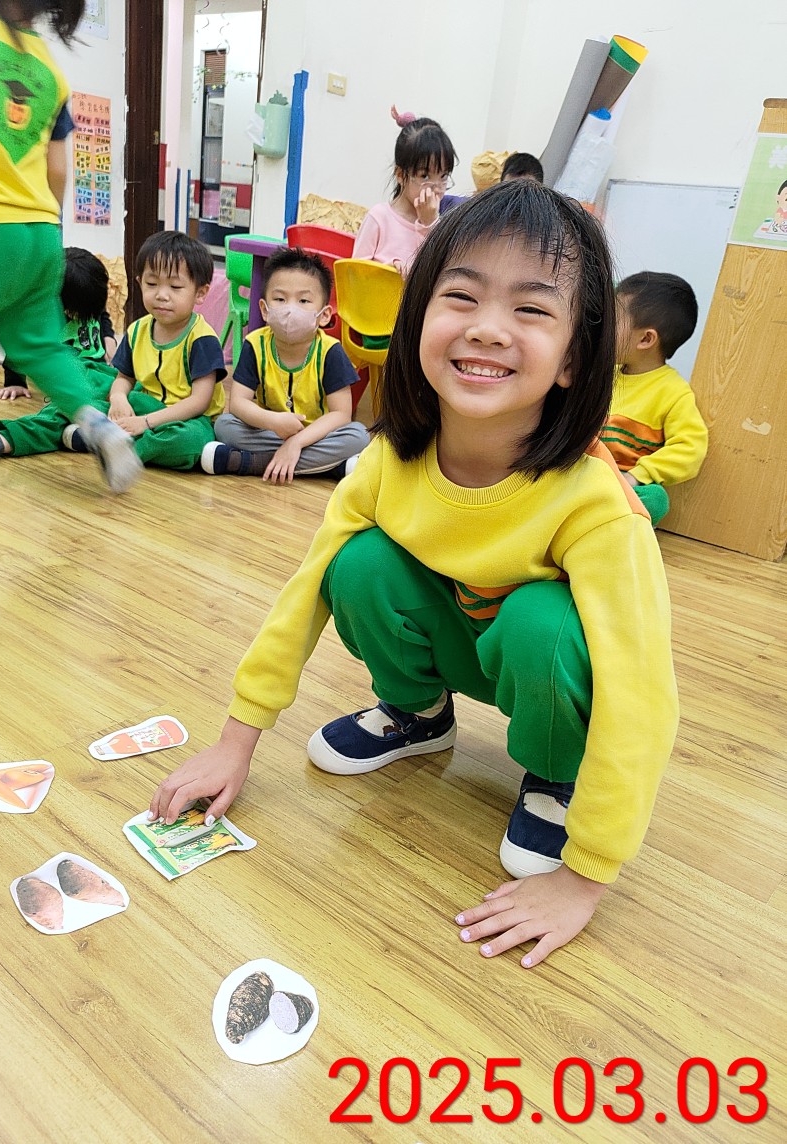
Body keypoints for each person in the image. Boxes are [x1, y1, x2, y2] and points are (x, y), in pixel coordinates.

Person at [150, 181, 679, 970]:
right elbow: (302, 597)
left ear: (574, 357)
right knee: (355, 563)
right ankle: (419, 715)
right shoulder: (386, 461)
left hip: (537, 665)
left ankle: (556, 775)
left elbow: (641, 695)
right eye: (461, 297)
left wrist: (586, 876)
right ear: (419, 318)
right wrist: (236, 741)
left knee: (542, 620)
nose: (488, 327)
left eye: (531, 309)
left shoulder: (599, 506)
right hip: (457, 639)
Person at [0, 0, 140, 494]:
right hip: (41, 231)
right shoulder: (47, 64)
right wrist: (43, 229)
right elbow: (58, 168)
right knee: (39, 345)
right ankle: (99, 424)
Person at [0, 231, 226, 471]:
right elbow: (124, 378)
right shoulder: (138, 329)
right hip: (141, 403)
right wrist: (119, 398)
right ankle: (0, 441)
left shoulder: (201, 338)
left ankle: (112, 446)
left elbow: (199, 402)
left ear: (200, 293)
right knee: (79, 400)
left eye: (175, 287)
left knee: (189, 441)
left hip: (186, 418)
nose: (161, 295)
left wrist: (144, 423)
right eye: (151, 284)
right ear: (139, 283)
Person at [204, 247, 369, 482]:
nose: (291, 309)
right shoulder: (255, 344)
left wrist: (297, 442)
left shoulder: (330, 351)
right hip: (270, 430)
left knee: (358, 435)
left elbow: (341, 414)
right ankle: (329, 468)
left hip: (315, 435)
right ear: (264, 309)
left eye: (304, 300)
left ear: (324, 315)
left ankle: (253, 463)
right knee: (224, 425)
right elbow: (238, 403)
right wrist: (273, 421)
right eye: (280, 299)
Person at [0, 247, 121, 462]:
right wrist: (15, 381)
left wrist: (109, 337)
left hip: (101, 372)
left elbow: (103, 316)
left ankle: (80, 433)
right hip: (72, 377)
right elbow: (24, 346)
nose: (78, 316)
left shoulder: (88, 302)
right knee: (62, 414)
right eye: (72, 311)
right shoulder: (47, 317)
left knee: (128, 398)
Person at [601, 271, 708, 526]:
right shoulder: (603, 374)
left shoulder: (673, 392)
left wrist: (639, 475)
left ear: (646, 339)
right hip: (584, 471)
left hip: (625, 482)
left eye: (614, 320)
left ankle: (613, 527)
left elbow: (690, 449)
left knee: (656, 498)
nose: (604, 327)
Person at [352, 105, 457, 276]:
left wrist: (429, 225)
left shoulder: (440, 226)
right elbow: (354, 275)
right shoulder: (379, 218)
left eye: (443, 176)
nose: (436, 188)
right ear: (401, 175)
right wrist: (388, 271)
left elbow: (438, 276)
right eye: (424, 176)